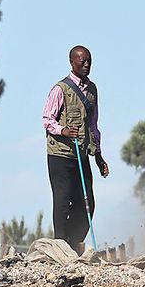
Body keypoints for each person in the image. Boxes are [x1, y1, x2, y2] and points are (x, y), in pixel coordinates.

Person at [42, 44, 109, 253]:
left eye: (89, 60)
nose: (87, 64)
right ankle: (60, 247)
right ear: (72, 62)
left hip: (81, 154)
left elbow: (93, 126)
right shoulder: (60, 89)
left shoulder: (92, 90)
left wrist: (99, 157)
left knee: (87, 202)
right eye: (83, 60)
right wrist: (63, 131)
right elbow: (47, 119)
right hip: (60, 155)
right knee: (62, 201)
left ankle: (73, 242)